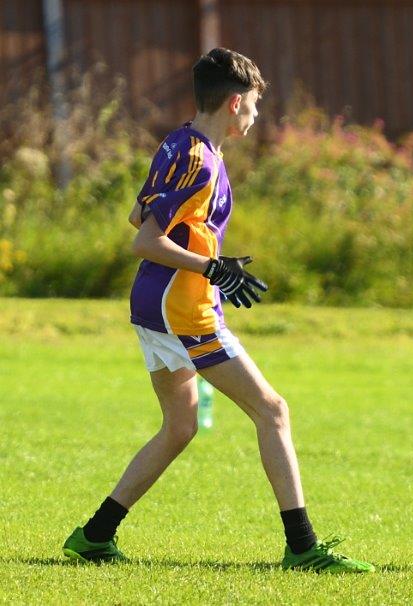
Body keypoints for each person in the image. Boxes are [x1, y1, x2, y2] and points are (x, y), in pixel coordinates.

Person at [61, 48, 372, 573]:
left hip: (152, 306)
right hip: (183, 310)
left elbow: (138, 211)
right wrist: (209, 268)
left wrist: (205, 259)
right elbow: (144, 239)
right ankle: (303, 548)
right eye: (253, 105)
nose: (255, 115)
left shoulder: (180, 142)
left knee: (180, 427)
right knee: (272, 410)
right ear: (234, 103)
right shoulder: (200, 160)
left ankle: (94, 535)